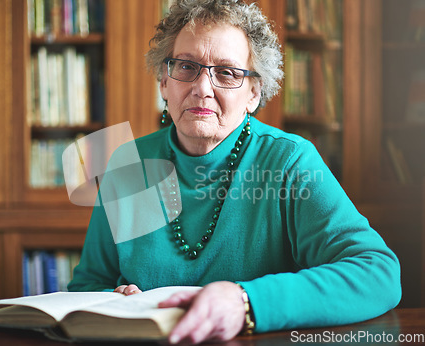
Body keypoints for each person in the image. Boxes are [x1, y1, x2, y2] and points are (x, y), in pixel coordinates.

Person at [68, 0, 401, 344]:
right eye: (185, 67)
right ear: (164, 83)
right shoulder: (129, 164)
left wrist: (246, 303)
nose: (202, 88)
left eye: (226, 73)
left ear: (254, 93)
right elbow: (87, 287)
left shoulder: (289, 161)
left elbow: (377, 273)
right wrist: (112, 299)